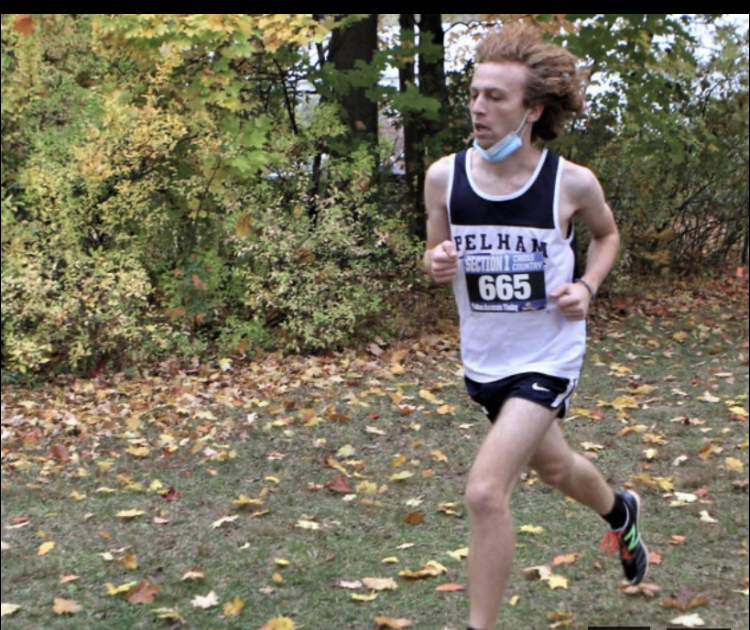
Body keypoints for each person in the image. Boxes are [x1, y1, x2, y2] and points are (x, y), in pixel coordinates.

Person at [422, 23, 648, 630]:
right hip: (484, 359)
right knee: (555, 468)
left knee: (485, 492)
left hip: (549, 354)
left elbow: (607, 235)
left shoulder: (569, 182)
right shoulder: (445, 178)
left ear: (532, 109)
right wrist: (438, 261)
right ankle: (620, 512)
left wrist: (587, 286)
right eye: (475, 93)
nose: (478, 107)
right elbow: (435, 255)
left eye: (496, 96)